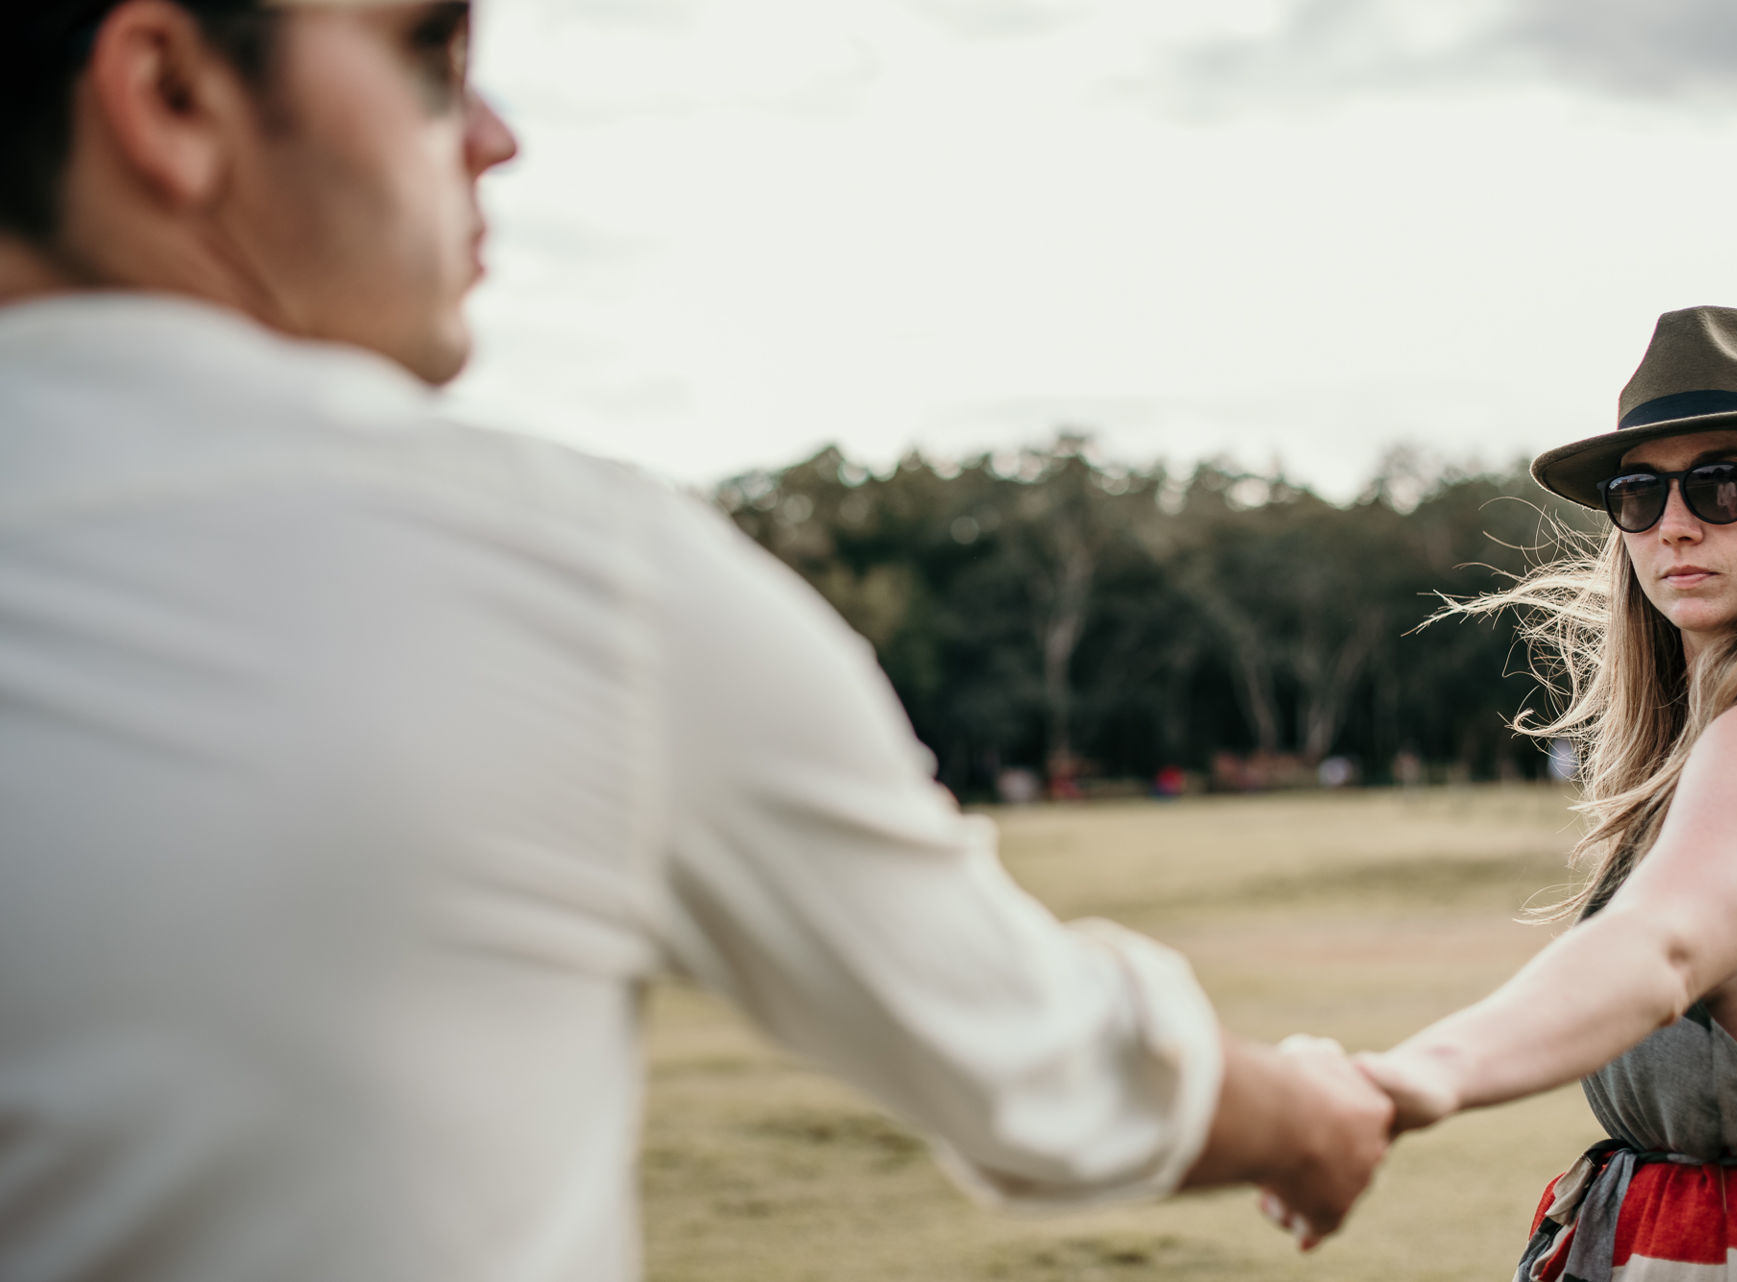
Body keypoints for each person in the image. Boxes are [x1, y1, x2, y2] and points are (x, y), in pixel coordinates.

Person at [0, 3, 1393, 1279]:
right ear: (170, 93)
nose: (496, 137)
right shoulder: (565, 572)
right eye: (430, 59)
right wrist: (1312, 1112)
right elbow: (1043, 1066)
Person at [1358, 305, 1737, 1279]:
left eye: (1722, 482)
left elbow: (1656, 949)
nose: (1676, 524)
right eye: (1639, 493)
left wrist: (1404, 1080)